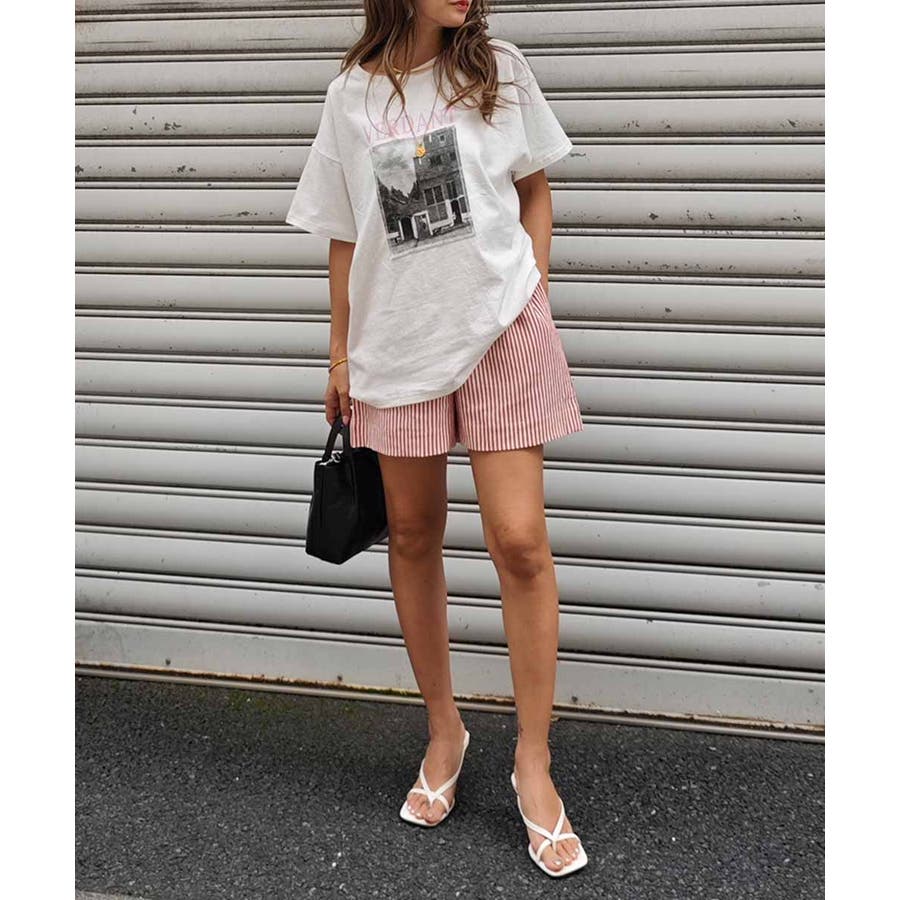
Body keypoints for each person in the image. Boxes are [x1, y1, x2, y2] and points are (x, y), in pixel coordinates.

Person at [285, 0, 587, 878]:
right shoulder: (350, 96)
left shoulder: (498, 69)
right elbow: (346, 235)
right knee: (414, 535)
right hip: (400, 344)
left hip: (502, 334)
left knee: (519, 541)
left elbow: (535, 190)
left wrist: (530, 294)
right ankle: (445, 730)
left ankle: (533, 759)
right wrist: (340, 353)